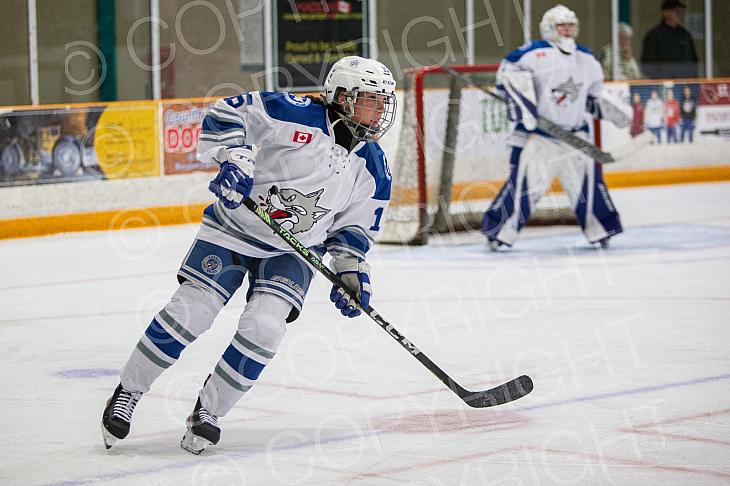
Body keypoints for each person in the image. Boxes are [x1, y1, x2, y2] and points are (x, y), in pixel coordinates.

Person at [100, 56, 397, 454]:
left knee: (265, 328)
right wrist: (234, 159)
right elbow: (227, 112)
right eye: (372, 99)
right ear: (342, 97)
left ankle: (209, 411)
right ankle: (129, 392)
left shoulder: (374, 166)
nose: (381, 110)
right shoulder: (293, 112)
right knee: (192, 310)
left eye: (383, 101)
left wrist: (351, 271)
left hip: (294, 251)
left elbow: (354, 229)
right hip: (233, 230)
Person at [482, 4, 631, 250]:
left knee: (587, 187)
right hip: (540, 136)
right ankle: (498, 231)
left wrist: (619, 113)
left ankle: (602, 230)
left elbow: (594, 96)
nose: (568, 31)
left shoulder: (587, 58)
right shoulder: (532, 53)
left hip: (575, 136)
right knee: (525, 186)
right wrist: (523, 105)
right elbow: (506, 76)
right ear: (549, 28)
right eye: (562, 26)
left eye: (571, 26)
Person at [641, 0, 698, 79]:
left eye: (680, 11)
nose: (679, 14)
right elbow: (647, 63)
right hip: (662, 83)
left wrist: (693, 80)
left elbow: (693, 61)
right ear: (665, 13)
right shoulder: (654, 35)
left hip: (685, 83)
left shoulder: (685, 35)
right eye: (675, 11)